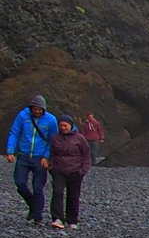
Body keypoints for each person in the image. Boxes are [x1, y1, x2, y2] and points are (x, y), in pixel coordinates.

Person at [7, 94, 57, 223]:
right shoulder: (22, 116)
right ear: (31, 108)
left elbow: (53, 140)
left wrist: (46, 156)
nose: (37, 111)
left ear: (44, 109)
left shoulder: (51, 120)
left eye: (40, 109)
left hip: (40, 157)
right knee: (20, 183)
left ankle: (37, 216)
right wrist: (10, 151)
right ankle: (33, 206)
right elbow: (14, 132)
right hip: (23, 155)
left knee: (38, 187)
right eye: (35, 109)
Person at [46, 115, 92, 229]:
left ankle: (72, 220)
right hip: (58, 170)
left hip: (75, 171)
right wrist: (51, 167)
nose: (63, 128)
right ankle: (57, 218)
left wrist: (83, 170)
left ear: (71, 125)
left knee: (73, 196)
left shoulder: (80, 138)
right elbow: (51, 153)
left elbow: (86, 155)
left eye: (65, 125)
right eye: (61, 125)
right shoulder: (55, 138)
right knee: (57, 192)